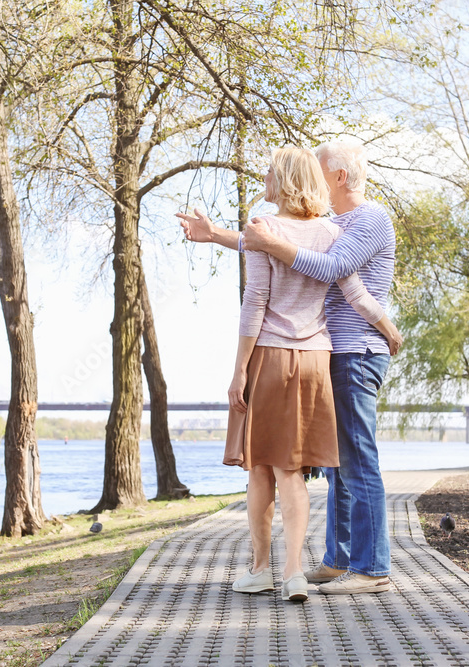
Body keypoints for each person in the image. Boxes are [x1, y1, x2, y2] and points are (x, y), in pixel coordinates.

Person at [178, 140, 399, 595]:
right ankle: (333, 560)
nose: (314, 178)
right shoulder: (333, 225)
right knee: (328, 465)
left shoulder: (369, 218)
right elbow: (287, 248)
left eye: (320, 170)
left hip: (349, 352)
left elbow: (314, 269)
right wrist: (218, 234)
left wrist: (390, 331)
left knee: (337, 462)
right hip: (326, 353)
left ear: (337, 176)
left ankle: (370, 568)